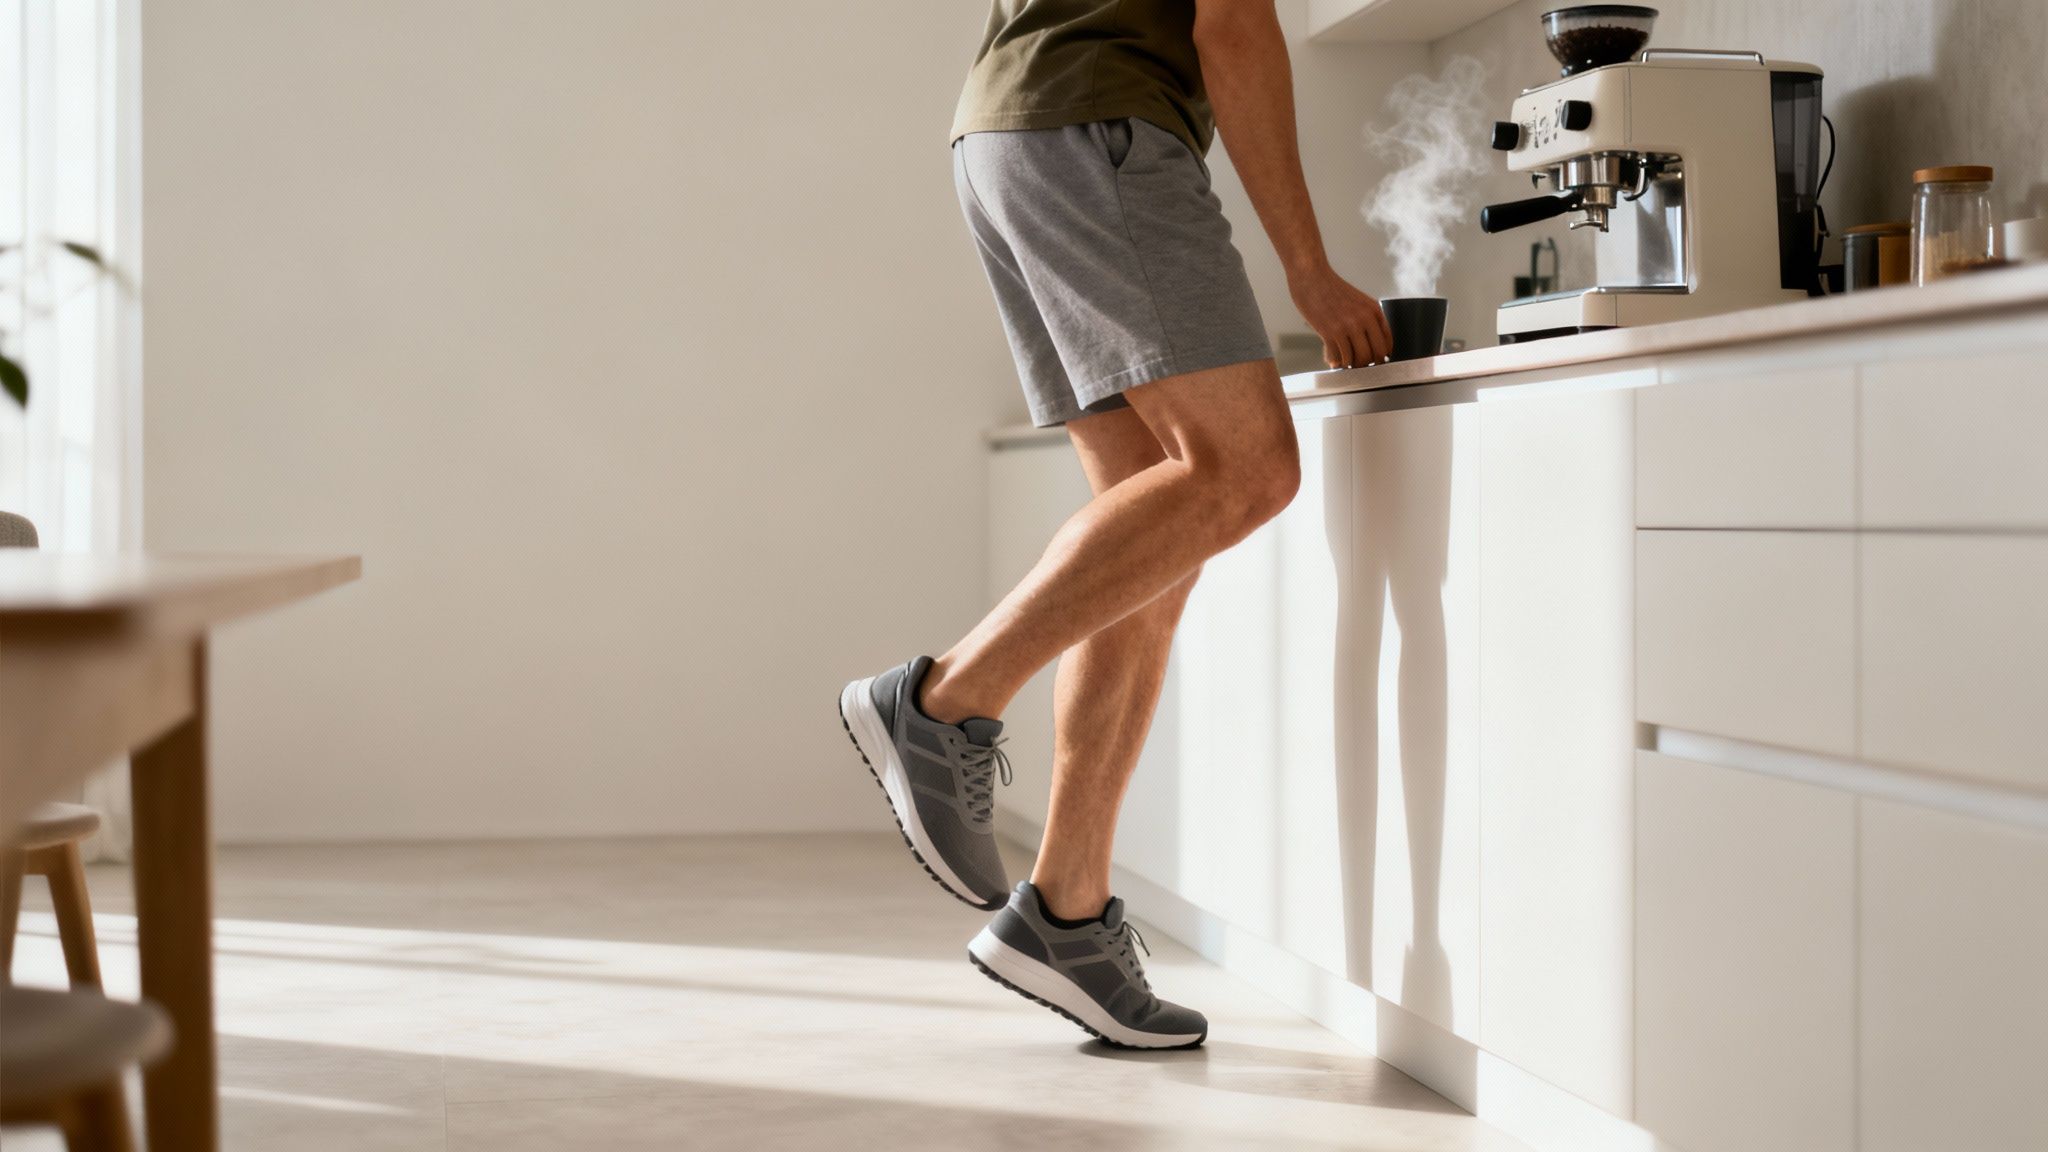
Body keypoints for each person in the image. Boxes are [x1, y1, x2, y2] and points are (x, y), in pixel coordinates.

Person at [838, 0, 1390, 1050]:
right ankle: (944, 699)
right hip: (1096, 126)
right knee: (1245, 469)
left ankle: (1065, 913)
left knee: (1149, 537)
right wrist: (1308, 271)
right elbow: (1230, 22)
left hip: (1008, 136)